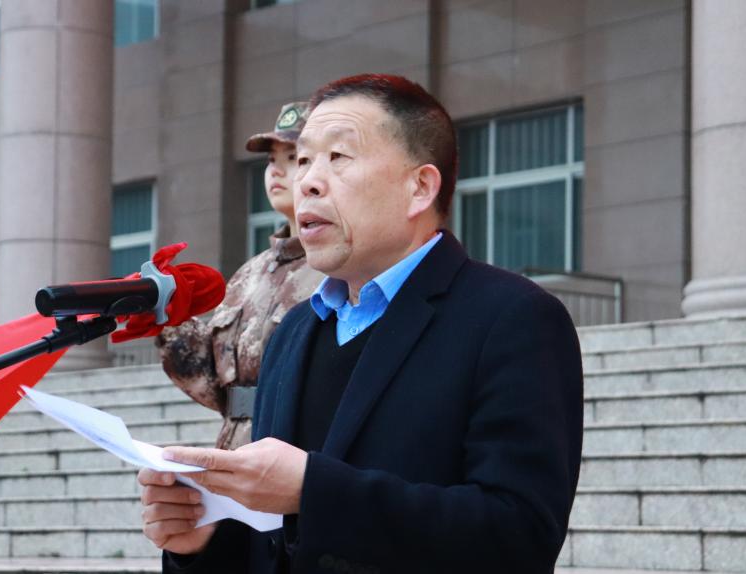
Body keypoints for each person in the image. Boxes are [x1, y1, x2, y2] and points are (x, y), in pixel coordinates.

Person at [139, 74, 584, 574]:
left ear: (419, 188)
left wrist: (314, 491)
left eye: (338, 156)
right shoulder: (293, 332)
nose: (307, 181)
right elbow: (276, 541)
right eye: (303, 160)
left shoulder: (512, 318)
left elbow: (520, 536)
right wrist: (203, 544)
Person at [155, 102, 323, 450]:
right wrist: (168, 315)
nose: (276, 170)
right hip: (236, 448)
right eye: (271, 160)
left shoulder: (338, 271)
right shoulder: (251, 273)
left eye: (293, 157)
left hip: (296, 450)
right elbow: (214, 386)